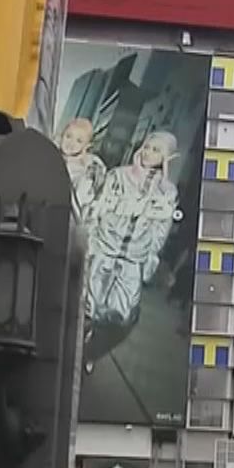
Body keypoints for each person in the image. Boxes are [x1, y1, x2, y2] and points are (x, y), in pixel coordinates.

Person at [83, 131, 181, 332]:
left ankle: (98, 344)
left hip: (134, 258)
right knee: (88, 303)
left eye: (156, 150)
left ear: (166, 157)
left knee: (120, 313)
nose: (148, 153)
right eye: (146, 147)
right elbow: (99, 208)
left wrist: (151, 257)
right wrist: (90, 241)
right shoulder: (118, 175)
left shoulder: (167, 191)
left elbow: (161, 229)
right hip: (105, 247)